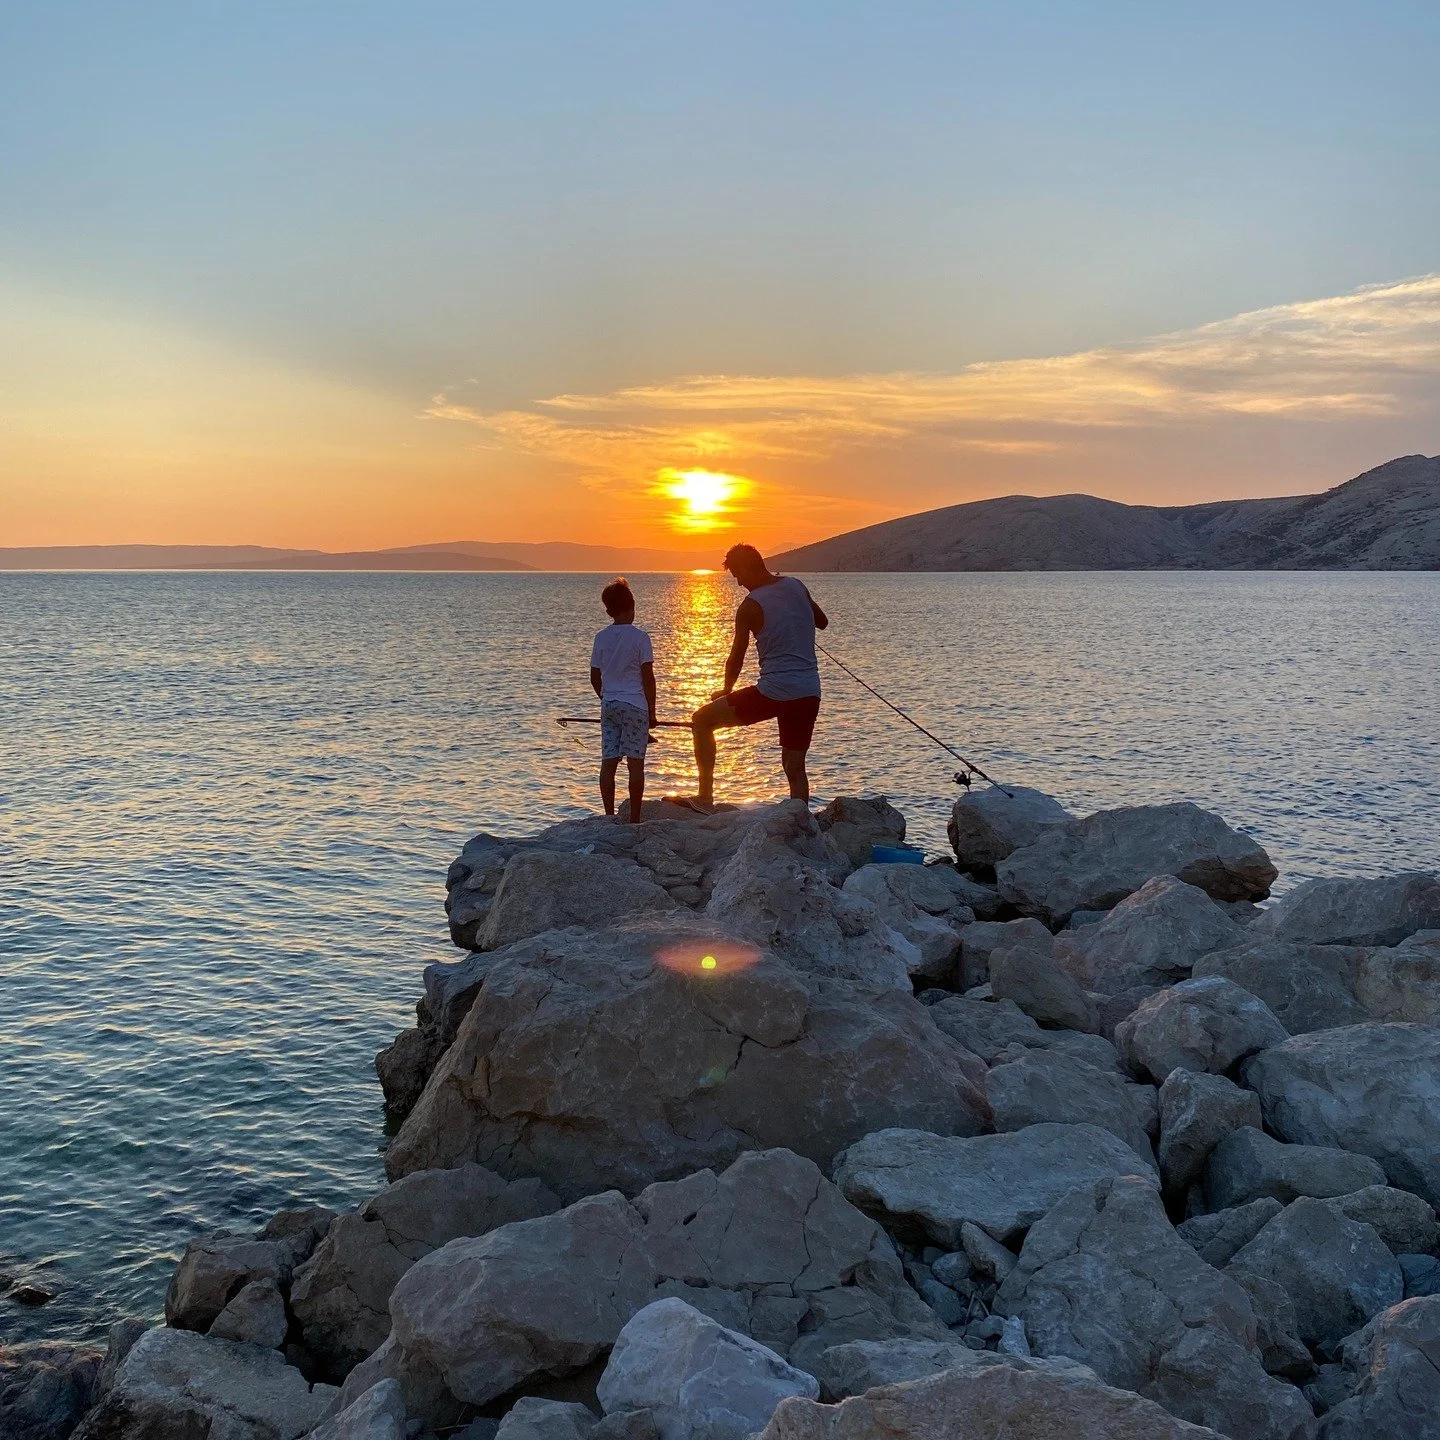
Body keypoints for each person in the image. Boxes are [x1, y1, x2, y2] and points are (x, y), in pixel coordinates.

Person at [689, 543, 828, 805]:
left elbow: (736, 656)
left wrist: (726, 690)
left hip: (774, 692)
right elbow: (822, 621)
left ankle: (704, 798)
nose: (739, 583)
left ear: (747, 567)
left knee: (702, 720)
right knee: (794, 766)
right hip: (809, 691)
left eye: (738, 576)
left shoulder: (750, 606)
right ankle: (800, 823)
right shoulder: (796, 585)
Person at [590, 578, 657, 822]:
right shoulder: (640, 638)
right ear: (632, 606)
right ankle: (634, 820)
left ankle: (608, 816)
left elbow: (594, 676)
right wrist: (652, 713)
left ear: (609, 610)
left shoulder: (601, 637)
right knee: (635, 764)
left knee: (609, 762)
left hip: (609, 705)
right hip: (635, 705)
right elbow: (648, 678)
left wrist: (605, 696)